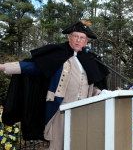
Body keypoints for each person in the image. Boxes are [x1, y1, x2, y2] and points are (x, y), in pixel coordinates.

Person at [0, 20, 110, 150]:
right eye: (75, 36)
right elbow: (32, 67)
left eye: (82, 38)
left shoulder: (90, 60)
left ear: (87, 41)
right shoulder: (58, 54)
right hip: (61, 108)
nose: (78, 40)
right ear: (69, 37)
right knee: (58, 145)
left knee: (79, 143)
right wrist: (3, 67)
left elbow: (91, 86)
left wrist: (101, 92)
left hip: (83, 110)